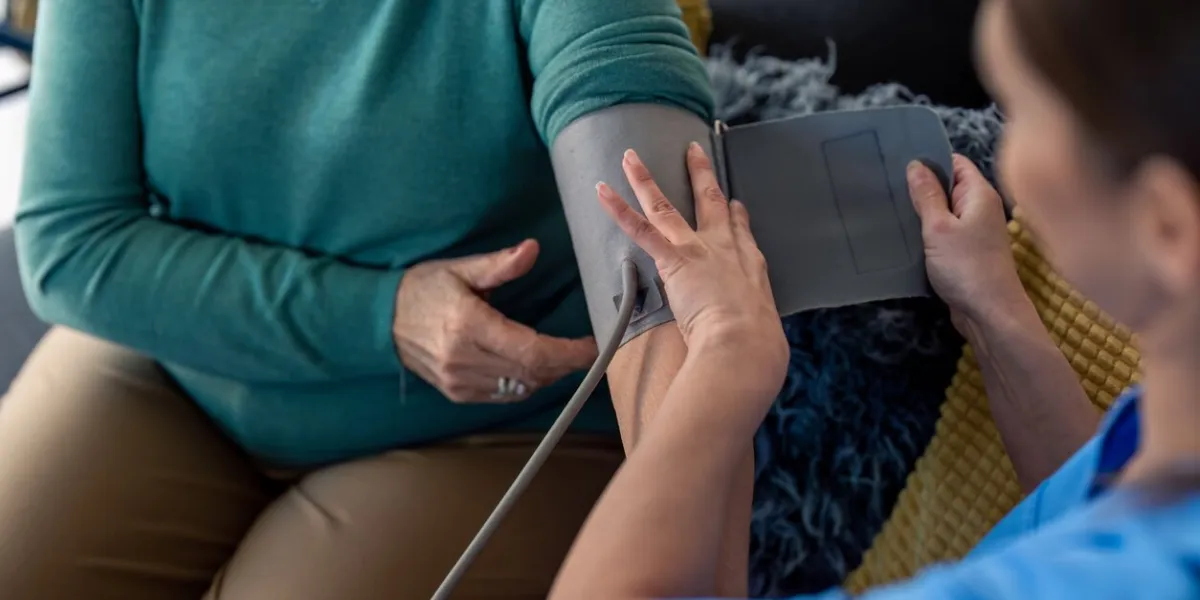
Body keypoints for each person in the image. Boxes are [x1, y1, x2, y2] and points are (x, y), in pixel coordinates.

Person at [0, 1, 720, 598]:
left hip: (493, 423)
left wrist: (687, 507)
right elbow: (73, 240)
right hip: (182, 360)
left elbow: (670, 270)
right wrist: (384, 315)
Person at [549, 0, 1200, 597]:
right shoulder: (1163, 452)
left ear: (1166, 226)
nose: (1010, 156)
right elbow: (1091, 503)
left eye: (1025, 113)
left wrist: (726, 350)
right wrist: (990, 308)